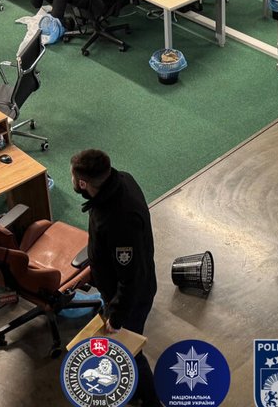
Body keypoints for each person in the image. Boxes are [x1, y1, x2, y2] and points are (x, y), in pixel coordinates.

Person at [71, 149, 161, 407]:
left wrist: (117, 316)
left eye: (73, 176)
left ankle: (150, 400)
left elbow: (131, 276)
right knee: (123, 346)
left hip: (132, 298)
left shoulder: (119, 219)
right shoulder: (121, 180)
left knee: (129, 349)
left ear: (82, 183)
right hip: (120, 287)